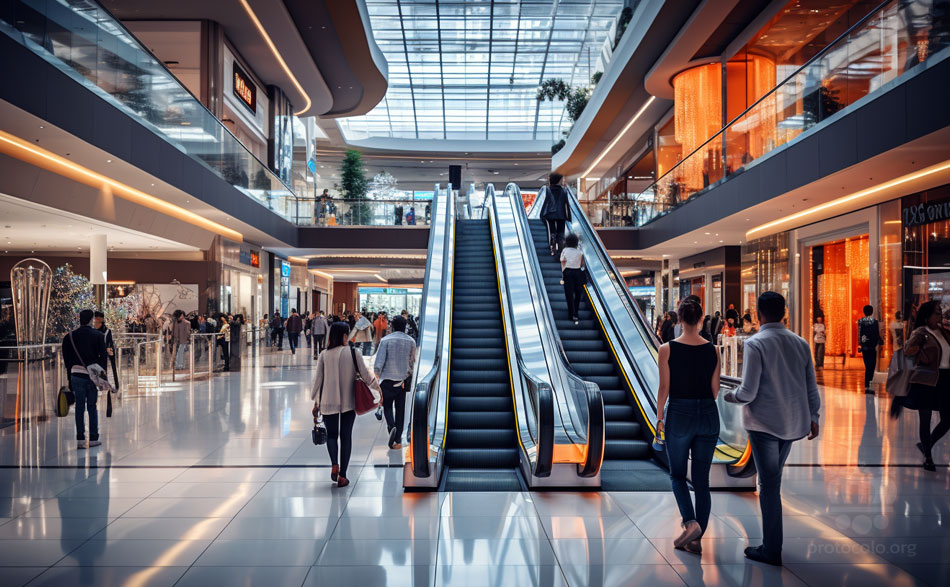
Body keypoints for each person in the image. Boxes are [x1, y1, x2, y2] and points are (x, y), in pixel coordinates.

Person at [724, 292, 820, 566]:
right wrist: (814, 416)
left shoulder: (757, 344)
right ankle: (771, 545)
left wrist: (729, 396)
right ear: (784, 312)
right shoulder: (801, 343)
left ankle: (771, 548)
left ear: (758, 314)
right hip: (791, 424)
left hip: (764, 424)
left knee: (768, 485)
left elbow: (748, 391)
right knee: (772, 481)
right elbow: (811, 386)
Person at [656, 297, 720, 554]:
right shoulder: (713, 350)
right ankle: (696, 536)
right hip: (707, 413)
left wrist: (660, 417)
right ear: (702, 319)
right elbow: (715, 391)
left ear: (679, 320)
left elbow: (664, 388)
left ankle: (690, 522)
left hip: (679, 413)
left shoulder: (666, 349)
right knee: (702, 481)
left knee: (677, 475)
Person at [311, 322, 381, 487]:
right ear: (344, 336)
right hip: (349, 401)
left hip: (328, 401)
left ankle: (334, 463)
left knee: (332, 435)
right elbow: (365, 374)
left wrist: (316, 403)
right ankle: (342, 475)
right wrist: (378, 390)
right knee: (346, 436)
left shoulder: (324, 355)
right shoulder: (353, 352)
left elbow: (318, 382)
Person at [903, 301, 950, 472]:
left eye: (940, 313)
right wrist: (922, 352)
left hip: (944, 379)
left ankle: (926, 444)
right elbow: (907, 350)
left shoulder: (943, 333)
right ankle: (928, 457)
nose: (940, 316)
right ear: (927, 315)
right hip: (926, 380)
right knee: (925, 419)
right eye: (937, 313)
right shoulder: (921, 332)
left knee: (947, 419)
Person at [62, 309, 107, 449]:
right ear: (91, 320)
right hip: (92, 377)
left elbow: (67, 360)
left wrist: (70, 376)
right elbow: (103, 360)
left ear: (79, 319)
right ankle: (93, 437)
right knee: (92, 406)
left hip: (76, 375)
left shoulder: (69, 337)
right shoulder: (98, 336)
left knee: (79, 407)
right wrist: (102, 379)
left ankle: (80, 438)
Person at [374, 315, 416, 450]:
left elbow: (378, 364)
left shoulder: (386, 340)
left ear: (392, 326)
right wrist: (407, 375)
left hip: (386, 380)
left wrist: (377, 377)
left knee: (387, 406)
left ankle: (391, 426)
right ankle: (397, 440)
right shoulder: (411, 341)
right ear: (405, 327)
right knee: (400, 410)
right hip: (402, 382)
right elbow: (412, 363)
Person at [540, 172, 570, 254]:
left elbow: (544, 202)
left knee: (552, 231)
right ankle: (561, 249)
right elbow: (567, 203)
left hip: (550, 214)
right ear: (558, 180)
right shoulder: (564, 191)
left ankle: (552, 248)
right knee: (561, 232)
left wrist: (542, 214)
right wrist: (569, 216)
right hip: (561, 214)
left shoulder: (547, 189)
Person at [560, 233, 586, 324]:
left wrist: (563, 271)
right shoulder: (579, 252)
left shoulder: (564, 250)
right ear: (576, 242)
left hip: (568, 273)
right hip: (578, 273)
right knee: (578, 294)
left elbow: (562, 261)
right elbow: (582, 264)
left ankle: (571, 314)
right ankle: (576, 313)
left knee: (569, 294)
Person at [858, 305, 884, 392]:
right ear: (872, 312)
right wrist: (880, 341)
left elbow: (859, 334)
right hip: (872, 346)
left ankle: (867, 383)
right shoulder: (875, 322)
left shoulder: (860, 321)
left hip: (865, 346)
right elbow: (876, 333)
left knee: (867, 365)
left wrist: (859, 345)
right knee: (872, 365)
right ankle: (869, 382)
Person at [93, 311, 118, 391]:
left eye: (98, 318)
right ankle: (99, 385)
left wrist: (109, 349)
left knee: (109, 368)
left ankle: (114, 385)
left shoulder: (107, 330)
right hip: (96, 352)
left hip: (106, 351)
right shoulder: (92, 329)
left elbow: (109, 342)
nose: (96, 319)